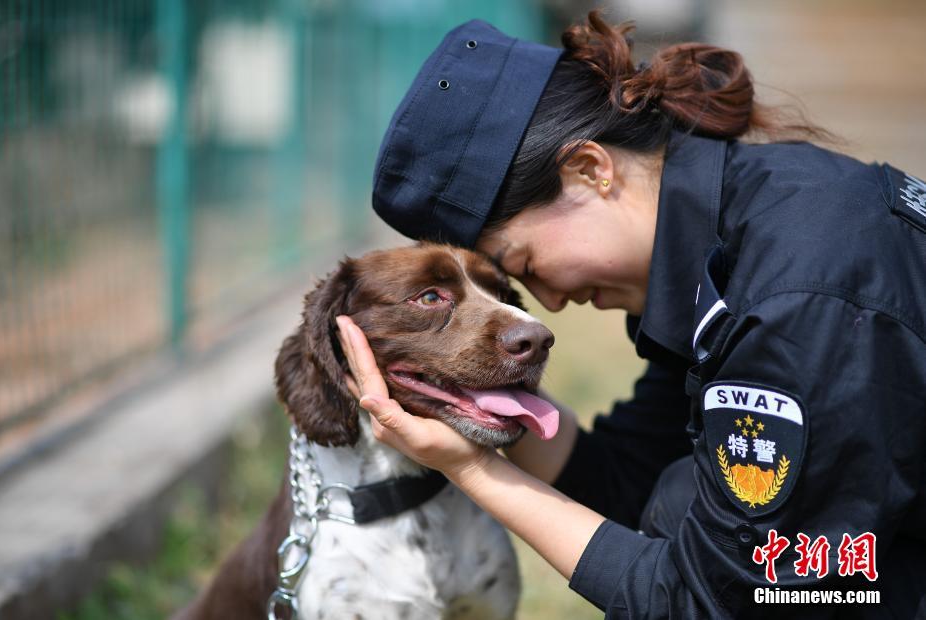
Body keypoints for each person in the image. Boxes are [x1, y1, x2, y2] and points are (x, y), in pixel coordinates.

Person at [335, 11, 926, 618]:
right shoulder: (731, 237)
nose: (552, 302)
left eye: (527, 263)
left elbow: (715, 602)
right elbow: (626, 479)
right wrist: (478, 407)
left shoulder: (796, 298)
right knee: (673, 495)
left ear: (590, 170)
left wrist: (471, 469)